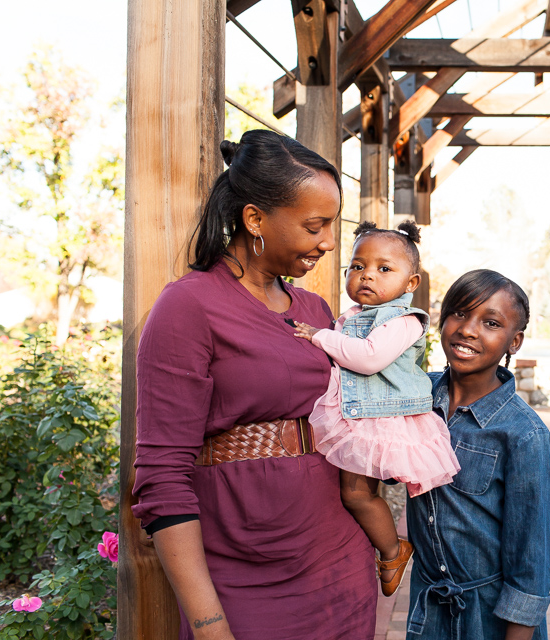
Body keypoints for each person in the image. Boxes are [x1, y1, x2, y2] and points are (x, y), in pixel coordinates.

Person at [132, 129, 377, 640]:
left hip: (339, 567)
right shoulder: (189, 306)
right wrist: (207, 621)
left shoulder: (315, 312)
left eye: (332, 225)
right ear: (255, 219)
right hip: (243, 576)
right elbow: (161, 475)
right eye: (316, 225)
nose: (330, 241)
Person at [291, 220, 461, 597]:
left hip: (385, 418)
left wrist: (319, 336)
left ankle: (393, 549)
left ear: (410, 284)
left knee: (356, 494)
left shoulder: (404, 321)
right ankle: (389, 548)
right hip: (362, 415)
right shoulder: (352, 316)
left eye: (384, 269)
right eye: (357, 267)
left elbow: (369, 359)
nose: (367, 275)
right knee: (353, 492)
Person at [405, 270, 550, 640]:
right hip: (428, 607)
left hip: (490, 617)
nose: (467, 330)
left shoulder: (524, 434)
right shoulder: (415, 399)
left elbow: (530, 559)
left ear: (514, 342)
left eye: (490, 323)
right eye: (458, 313)